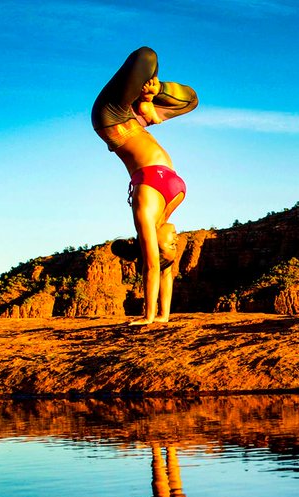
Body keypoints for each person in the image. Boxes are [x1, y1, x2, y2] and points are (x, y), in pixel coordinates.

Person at [92, 47, 198, 325]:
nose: (176, 240)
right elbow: (164, 271)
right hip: (136, 122)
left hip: (113, 119)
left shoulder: (145, 212)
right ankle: (147, 103)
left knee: (146, 57)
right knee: (192, 100)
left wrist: (148, 317)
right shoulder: (169, 208)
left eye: (170, 245)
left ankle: (145, 101)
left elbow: (153, 267)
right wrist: (163, 316)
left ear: (151, 245)